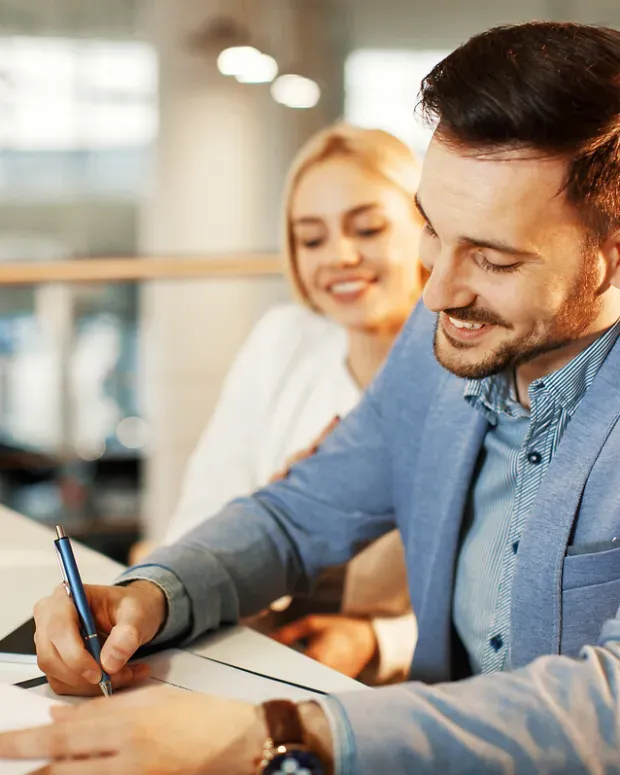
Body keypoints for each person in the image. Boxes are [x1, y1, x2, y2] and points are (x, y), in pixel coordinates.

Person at [5, 19, 620, 774]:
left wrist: (283, 732)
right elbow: (299, 515)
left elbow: (609, 703)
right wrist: (153, 593)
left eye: (492, 260)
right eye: (432, 230)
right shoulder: (438, 358)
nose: (435, 290)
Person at [130, 122, 426, 681]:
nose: (339, 255)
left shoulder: (470, 363)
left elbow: (498, 597)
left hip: (411, 687)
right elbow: (202, 517)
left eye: (367, 228)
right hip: (256, 650)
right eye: (311, 239)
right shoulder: (284, 339)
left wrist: (379, 641)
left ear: (426, 227)